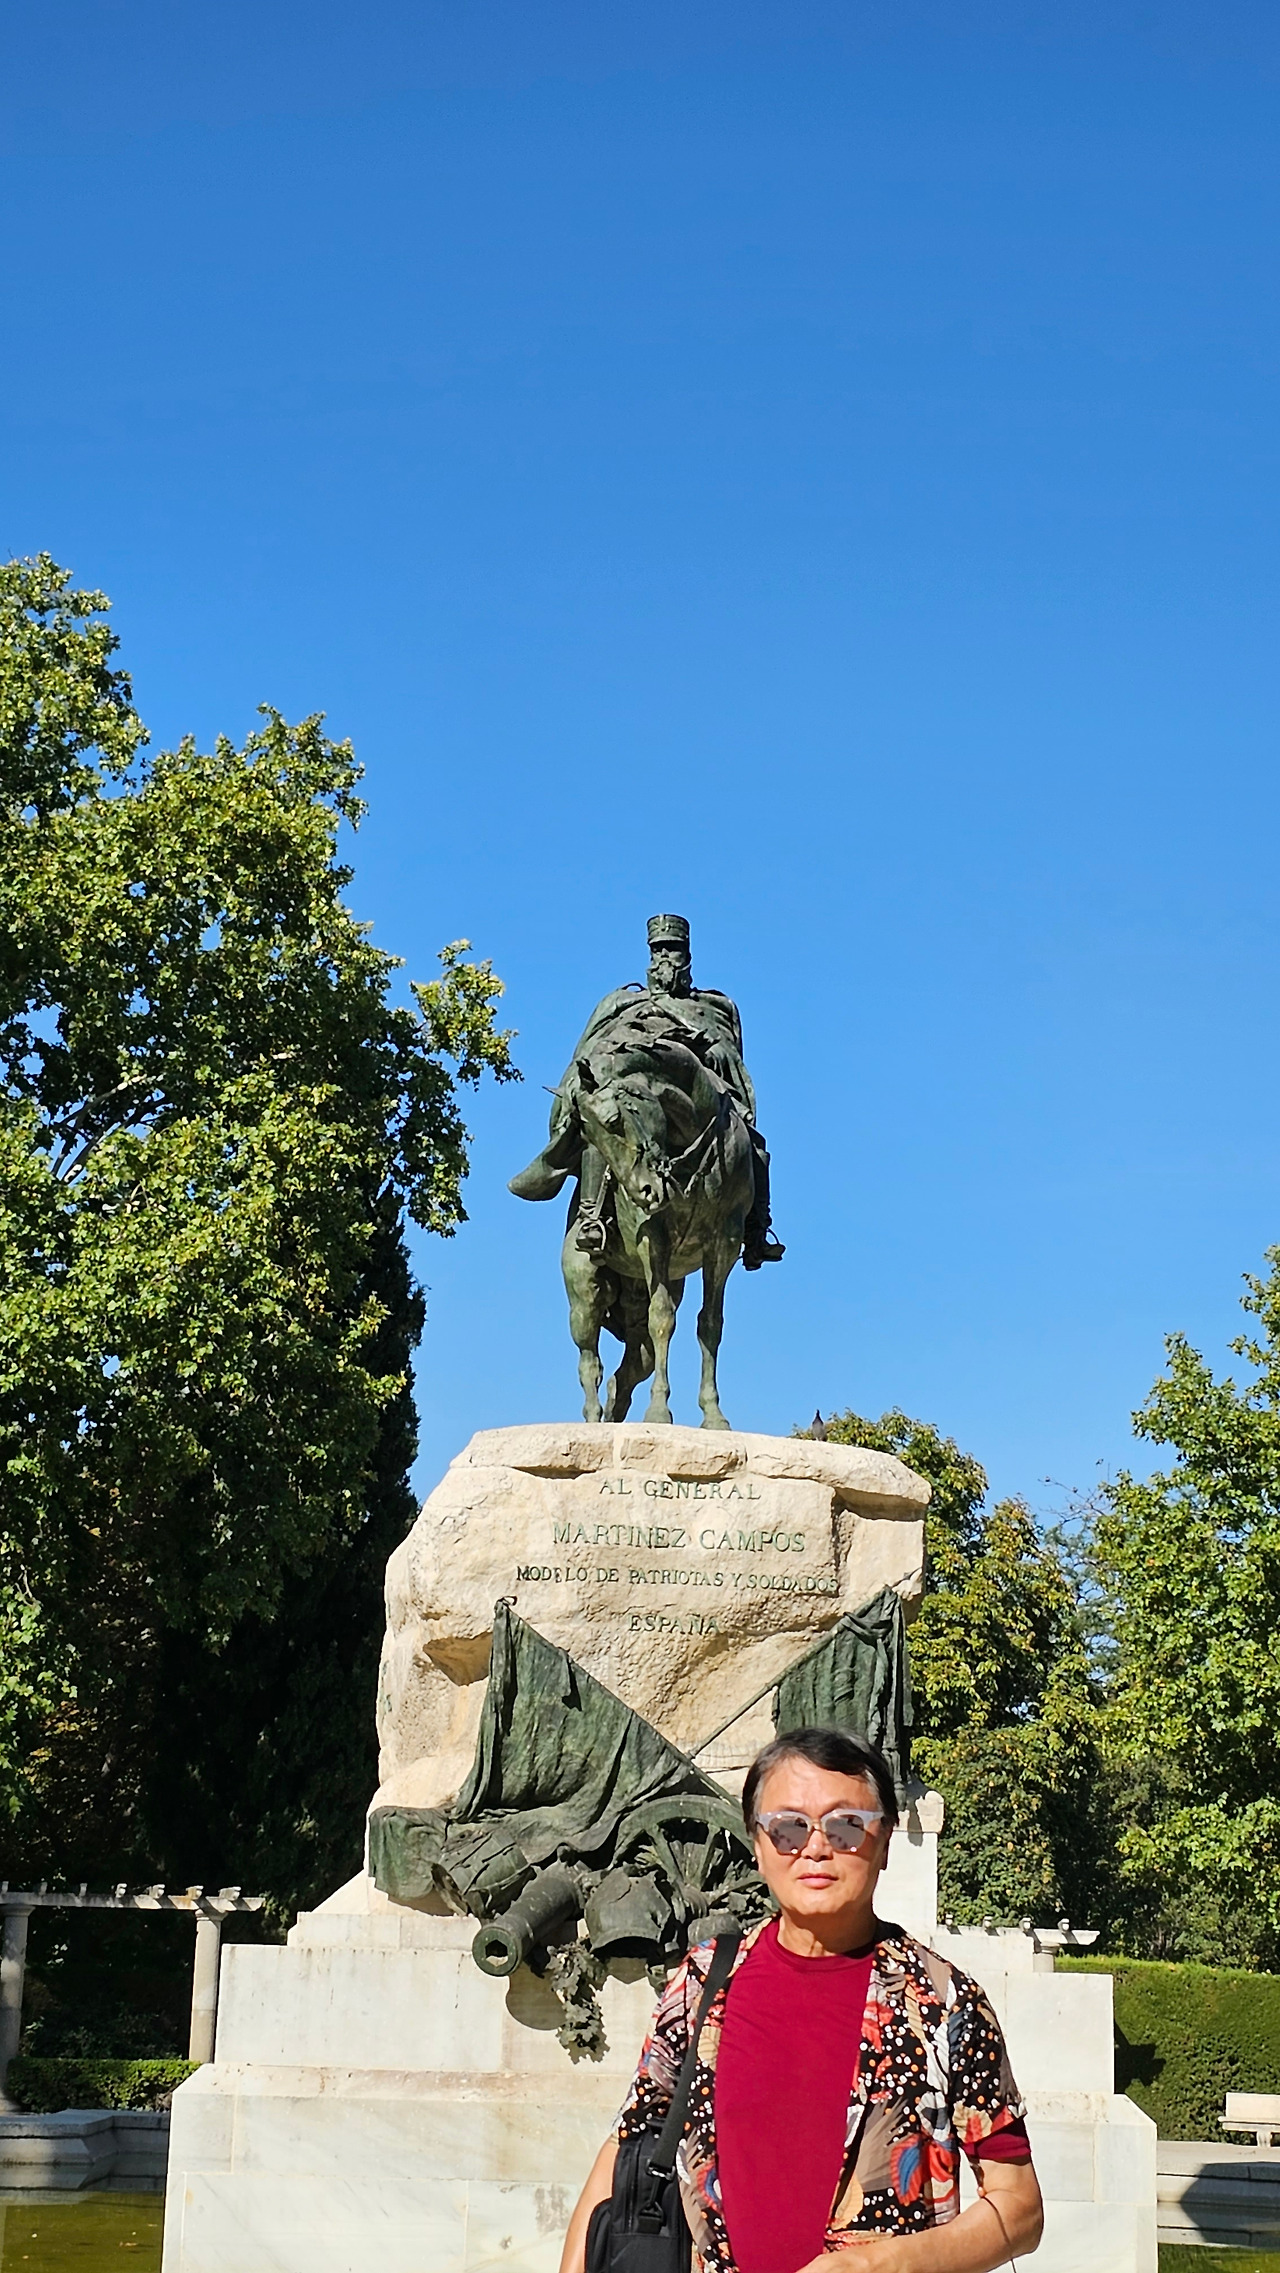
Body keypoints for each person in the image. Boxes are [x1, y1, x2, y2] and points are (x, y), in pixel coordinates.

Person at [558, 1726, 1043, 2273]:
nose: (815, 1848)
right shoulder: (703, 1981)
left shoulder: (945, 2001)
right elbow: (625, 2147)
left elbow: (1020, 2209)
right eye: (788, 1828)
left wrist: (883, 2266)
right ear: (758, 1846)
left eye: (846, 1826)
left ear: (884, 1842)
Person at [509, 913, 784, 1270]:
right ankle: (592, 1217)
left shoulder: (716, 1007)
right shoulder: (621, 1004)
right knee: (602, 1125)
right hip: (631, 1101)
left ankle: (756, 1230)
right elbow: (589, 1057)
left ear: (688, 955)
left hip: (695, 1103)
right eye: (658, 950)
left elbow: (734, 1061)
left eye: (673, 949)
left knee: (752, 1142)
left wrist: (714, 1052)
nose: (665, 957)